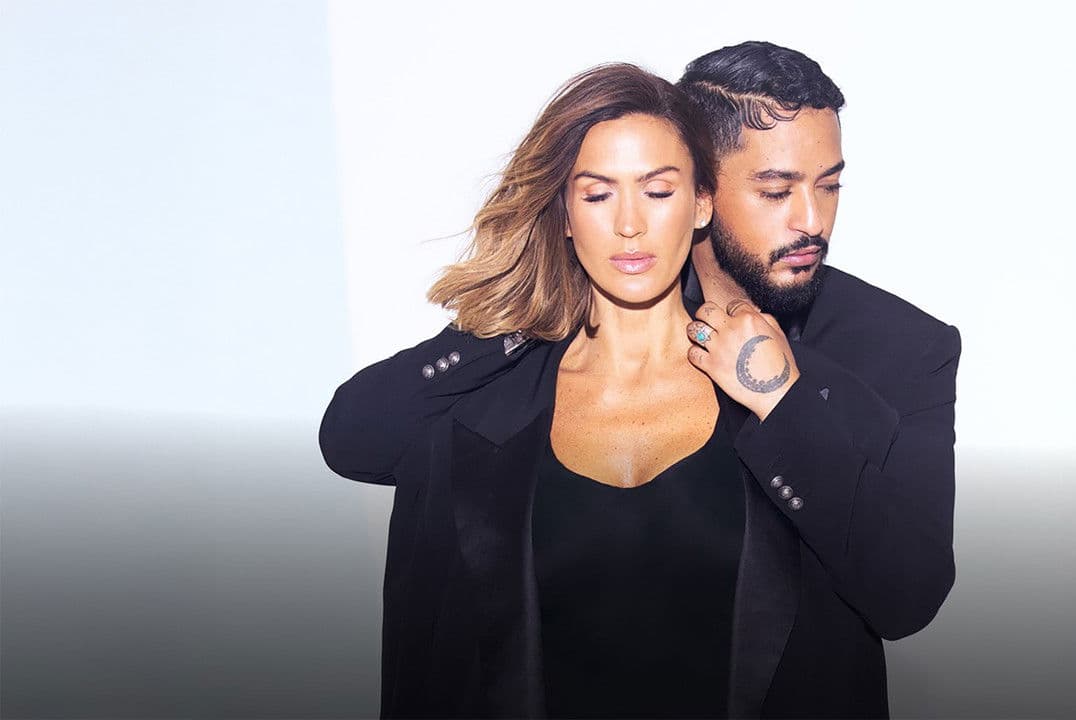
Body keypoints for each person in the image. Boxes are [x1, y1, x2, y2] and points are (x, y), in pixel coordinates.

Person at [321, 63, 764, 718]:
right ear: (563, 213)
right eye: (597, 195)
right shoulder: (492, 401)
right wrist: (512, 321)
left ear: (701, 203)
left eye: (657, 190)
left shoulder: (767, 389)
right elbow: (352, 438)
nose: (630, 224)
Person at [671, 41, 964, 716]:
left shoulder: (905, 346)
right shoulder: (617, 323)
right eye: (777, 191)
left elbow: (909, 596)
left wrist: (784, 400)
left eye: (829, 186)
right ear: (699, 192)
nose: (813, 220)